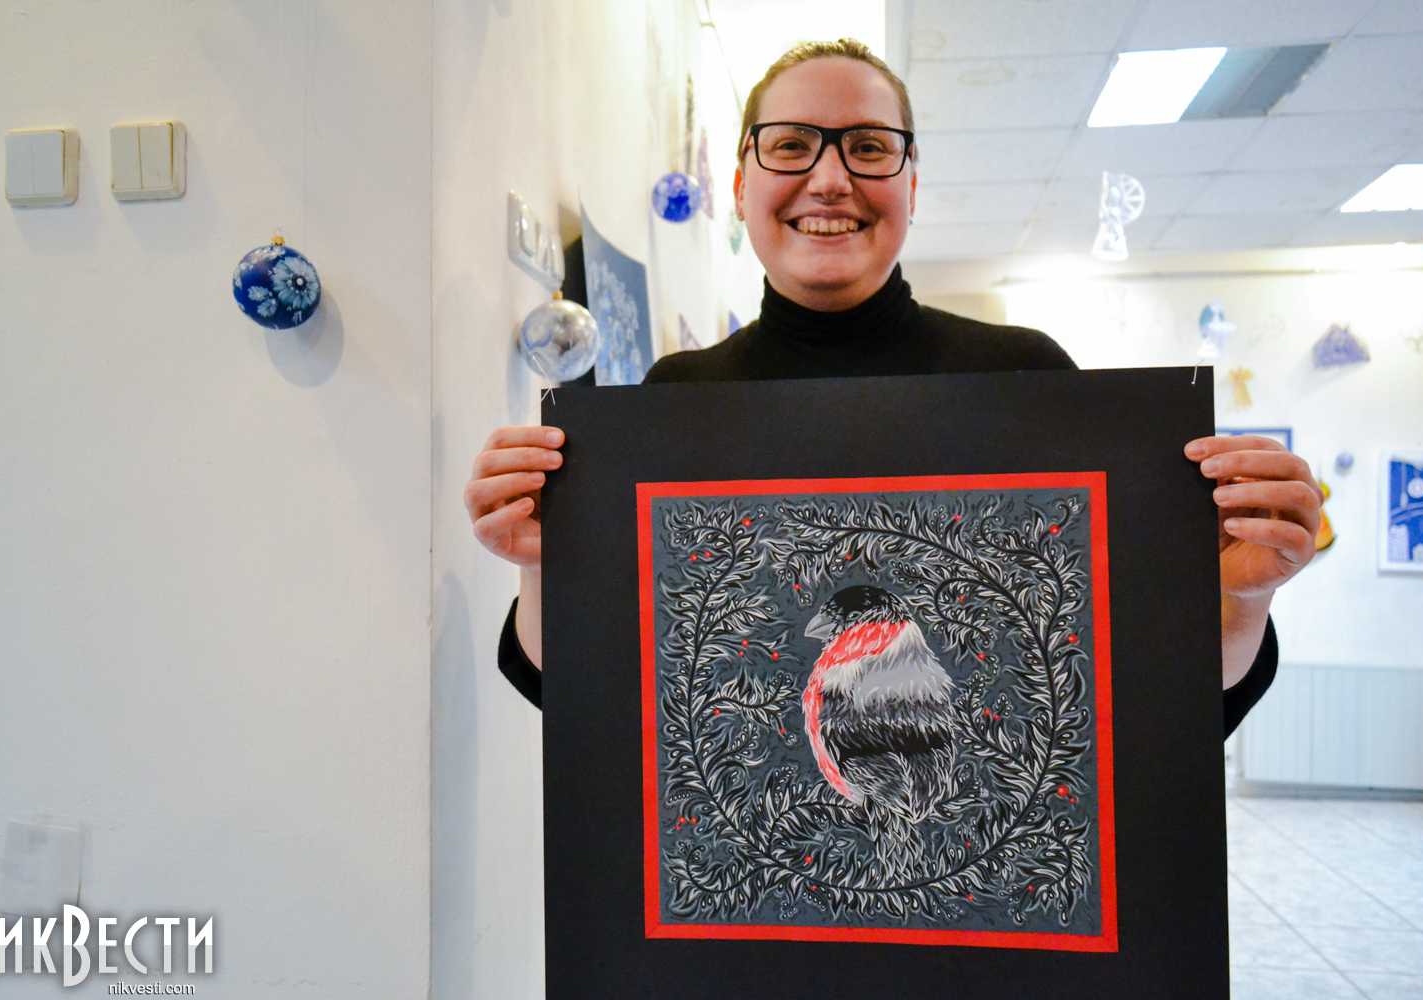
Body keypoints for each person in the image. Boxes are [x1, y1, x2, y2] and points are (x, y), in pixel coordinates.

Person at [464, 39, 1321, 735]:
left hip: (983, 877)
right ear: (742, 185)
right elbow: (592, 699)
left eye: (869, 147)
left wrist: (1243, 597)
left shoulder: (1026, 381)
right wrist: (545, 563)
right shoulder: (677, 400)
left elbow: (1153, 704)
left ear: (911, 185)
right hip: (762, 880)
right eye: (791, 144)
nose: (830, 178)